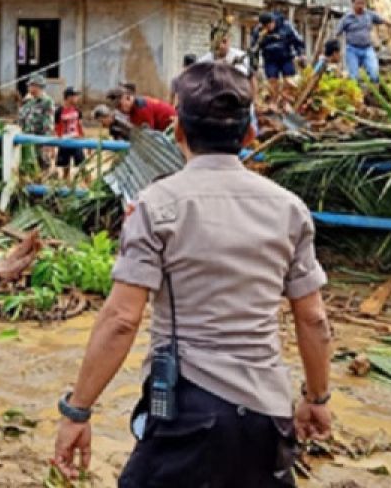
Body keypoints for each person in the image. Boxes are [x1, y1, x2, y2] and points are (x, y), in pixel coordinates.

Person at [53, 61, 334, 485]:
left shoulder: (158, 205)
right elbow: (313, 318)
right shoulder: (289, 209)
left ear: (178, 132)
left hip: (187, 412)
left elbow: (121, 319)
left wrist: (78, 410)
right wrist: (317, 398)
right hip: (267, 415)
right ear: (249, 135)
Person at [334, 0, 391, 84]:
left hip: (367, 49)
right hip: (352, 50)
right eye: (358, 3)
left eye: (362, 3)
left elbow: (384, 21)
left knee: (374, 74)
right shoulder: (346, 18)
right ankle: (356, 96)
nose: (361, 6)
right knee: (354, 77)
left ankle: (374, 95)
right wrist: (335, 49)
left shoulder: (369, 14)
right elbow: (337, 33)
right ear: (353, 3)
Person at [250, 11, 305, 80]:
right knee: (272, 81)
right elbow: (254, 49)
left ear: (273, 21)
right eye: (266, 26)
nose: (269, 28)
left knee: (289, 80)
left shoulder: (286, 26)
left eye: (270, 25)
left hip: (286, 58)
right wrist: (254, 65)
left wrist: (301, 53)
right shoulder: (259, 31)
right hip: (270, 60)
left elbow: (297, 40)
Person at [19, 74, 57, 171]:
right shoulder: (28, 102)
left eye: (31, 85)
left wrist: (47, 143)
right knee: (29, 166)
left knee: (43, 165)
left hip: (40, 140)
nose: (29, 88)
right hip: (27, 140)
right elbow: (22, 119)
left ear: (37, 86)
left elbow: (49, 124)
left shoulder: (47, 102)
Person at [111, 83, 176, 132]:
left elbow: (149, 135)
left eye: (120, 106)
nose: (120, 110)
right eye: (118, 108)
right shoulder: (135, 107)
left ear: (128, 98)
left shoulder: (141, 108)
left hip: (173, 127)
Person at [55, 87, 86, 179]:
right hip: (64, 142)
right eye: (75, 96)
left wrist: (85, 140)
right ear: (69, 97)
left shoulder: (77, 111)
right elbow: (56, 128)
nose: (77, 98)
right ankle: (66, 185)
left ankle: (88, 185)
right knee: (65, 168)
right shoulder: (59, 111)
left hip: (76, 142)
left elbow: (80, 126)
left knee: (83, 166)